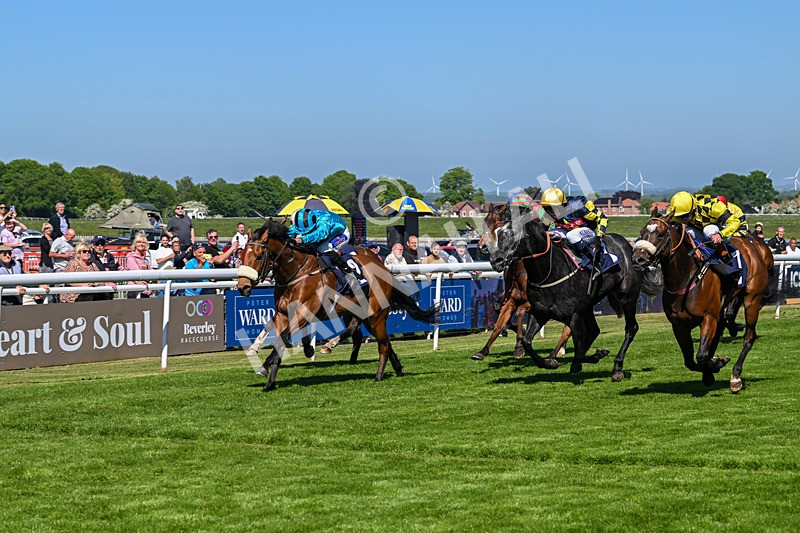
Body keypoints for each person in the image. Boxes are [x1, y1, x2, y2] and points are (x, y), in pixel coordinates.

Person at [668, 191, 746, 274]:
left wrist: (720, 234)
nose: (682, 219)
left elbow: (735, 221)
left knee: (708, 229)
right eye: (678, 217)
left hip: (719, 232)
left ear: (693, 209)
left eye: (685, 216)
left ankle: (724, 255)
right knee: (684, 230)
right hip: (700, 232)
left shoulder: (712, 207)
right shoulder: (677, 213)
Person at [540, 187, 608, 271]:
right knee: (549, 234)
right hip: (569, 232)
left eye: (553, 208)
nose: (550, 212)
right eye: (547, 208)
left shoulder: (578, 205)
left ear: (563, 204)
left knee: (571, 235)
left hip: (589, 232)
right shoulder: (548, 214)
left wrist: (599, 236)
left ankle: (590, 261)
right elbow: (543, 229)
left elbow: (602, 218)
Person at [287, 208, 355, 278]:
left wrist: (302, 239)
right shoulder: (301, 221)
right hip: (326, 236)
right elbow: (291, 232)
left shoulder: (324, 220)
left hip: (341, 234)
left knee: (323, 249)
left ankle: (347, 270)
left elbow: (320, 234)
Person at [125, 232, 153, 298]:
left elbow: (152, 273)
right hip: (134, 290)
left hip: (145, 290)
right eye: (139, 242)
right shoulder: (130, 258)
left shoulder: (145, 260)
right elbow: (136, 274)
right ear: (135, 244)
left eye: (143, 242)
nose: (141, 244)